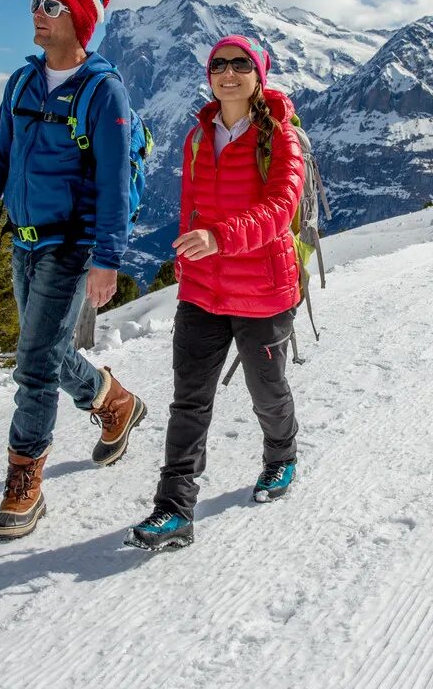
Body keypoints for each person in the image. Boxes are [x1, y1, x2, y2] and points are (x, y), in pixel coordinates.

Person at [0, 0, 147, 541]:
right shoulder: (22, 82)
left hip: (71, 245)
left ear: (80, 21)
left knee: (34, 365)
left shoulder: (102, 92)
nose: (38, 13)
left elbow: (111, 183)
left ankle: (24, 483)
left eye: (52, 6)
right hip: (23, 241)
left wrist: (107, 258)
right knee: (50, 351)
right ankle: (114, 402)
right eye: (35, 4)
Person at [126, 35, 306, 552]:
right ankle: (173, 508)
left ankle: (281, 457)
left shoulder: (282, 138)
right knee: (189, 401)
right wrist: (189, 259)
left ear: (259, 74)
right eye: (218, 65)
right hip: (203, 291)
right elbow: (191, 207)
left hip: (263, 291)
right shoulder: (198, 138)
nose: (228, 73)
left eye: (240, 65)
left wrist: (219, 238)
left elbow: (280, 211)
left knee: (267, 391)